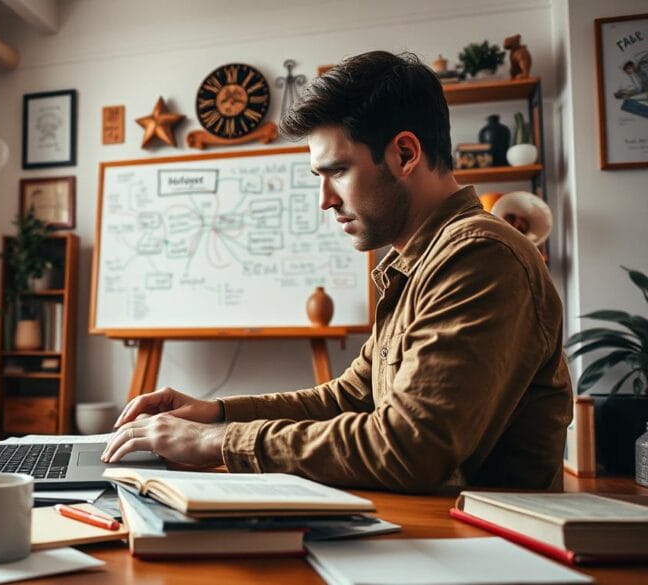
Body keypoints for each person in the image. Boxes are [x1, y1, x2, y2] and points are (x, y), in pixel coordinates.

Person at [101, 51, 573, 493]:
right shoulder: (422, 261)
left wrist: (216, 442)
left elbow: (410, 447)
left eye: (338, 171)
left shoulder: (478, 256)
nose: (325, 199)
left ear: (405, 154)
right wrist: (215, 413)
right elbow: (349, 397)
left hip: (482, 552)